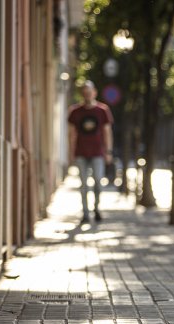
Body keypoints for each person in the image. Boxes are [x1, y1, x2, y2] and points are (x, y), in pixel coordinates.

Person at [68, 80, 114, 223]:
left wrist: (109, 151)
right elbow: (71, 134)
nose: (87, 95)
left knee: (98, 183)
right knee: (83, 185)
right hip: (81, 152)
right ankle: (85, 213)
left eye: (90, 92)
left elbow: (107, 132)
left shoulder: (102, 110)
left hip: (98, 153)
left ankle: (96, 208)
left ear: (94, 93)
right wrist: (71, 152)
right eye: (85, 92)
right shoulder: (75, 111)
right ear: (82, 94)